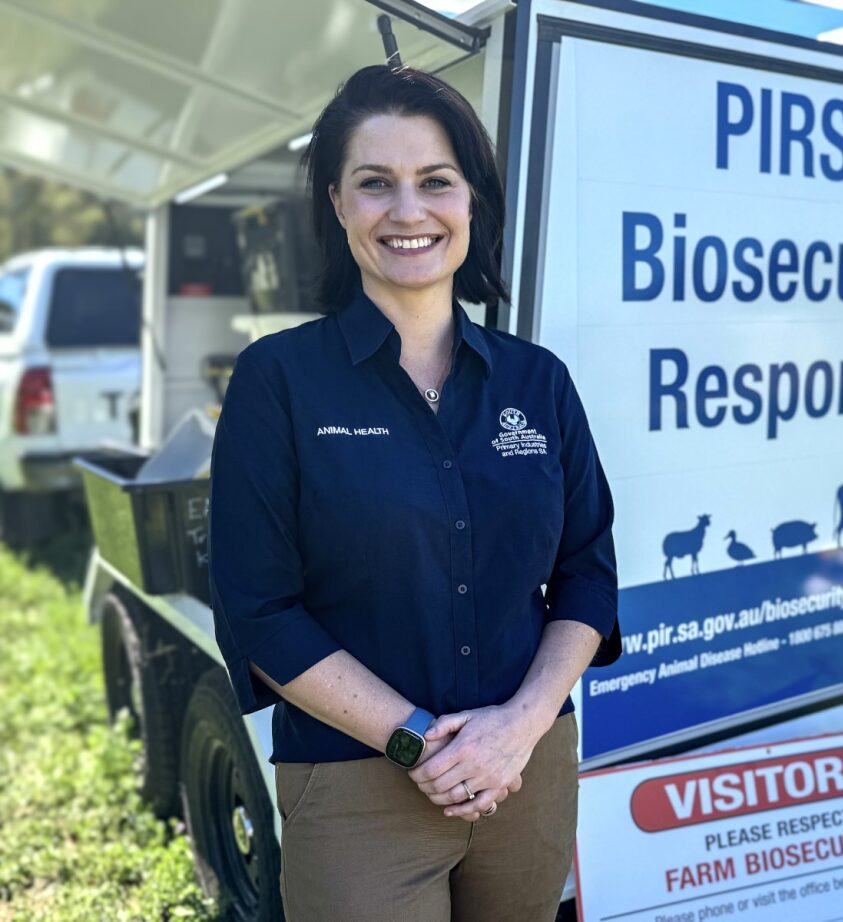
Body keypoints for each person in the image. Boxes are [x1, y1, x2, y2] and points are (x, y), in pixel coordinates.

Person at [208, 63, 619, 921]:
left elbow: (587, 575)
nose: (408, 211)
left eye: (436, 181)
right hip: (356, 782)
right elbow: (259, 611)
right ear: (336, 204)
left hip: (527, 768)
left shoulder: (537, 381)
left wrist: (518, 729)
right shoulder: (277, 380)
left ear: (471, 201)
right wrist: (416, 741)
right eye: (374, 184)